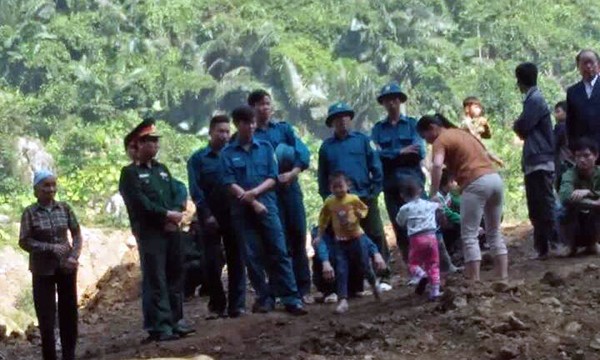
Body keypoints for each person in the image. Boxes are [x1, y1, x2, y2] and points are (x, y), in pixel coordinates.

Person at [220, 105, 307, 316]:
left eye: (252, 123)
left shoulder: (266, 147)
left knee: (279, 250)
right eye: (246, 123)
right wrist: (250, 200)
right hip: (242, 211)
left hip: (268, 206)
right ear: (238, 125)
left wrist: (254, 194)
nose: (250, 127)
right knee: (252, 256)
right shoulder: (227, 153)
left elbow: (272, 177)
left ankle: (291, 297)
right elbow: (229, 182)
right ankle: (264, 297)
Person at [119, 119, 194, 342]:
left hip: (171, 230)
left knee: (175, 275)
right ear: (137, 146)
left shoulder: (162, 170)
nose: (154, 145)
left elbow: (178, 189)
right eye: (148, 142)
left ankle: (175, 320)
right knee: (156, 279)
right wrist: (165, 215)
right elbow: (140, 203)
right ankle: (159, 326)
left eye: (155, 141)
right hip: (151, 233)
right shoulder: (130, 174)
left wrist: (178, 209)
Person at [417, 114, 508, 283]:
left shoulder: (441, 140)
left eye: (425, 137)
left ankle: (474, 280)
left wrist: (434, 193)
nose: (427, 142)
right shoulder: (462, 134)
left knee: (469, 235)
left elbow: (437, 165)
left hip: (476, 183)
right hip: (495, 180)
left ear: (432, 128)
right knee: (494, 232)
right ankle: (502, 277)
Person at [248, 90, 313, 304]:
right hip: (268, 194)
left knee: (297, 235)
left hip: (290, 189)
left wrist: (293, 173)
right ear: (252, 108)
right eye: (259, 104)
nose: (263, 107)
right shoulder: (250, 135)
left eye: (267, 103)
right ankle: (282, 288)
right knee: (276, 243)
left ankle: (303, 288)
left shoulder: (284, 129)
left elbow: (302, 153)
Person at [318, 102, 389, 289]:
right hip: (340, 203)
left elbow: (375, 166)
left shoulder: (362, 140)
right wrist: (328, 199)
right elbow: (322, 176)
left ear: (350, 119)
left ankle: (383, 275)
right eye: (337, 118)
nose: (342, 120)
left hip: (364, 196)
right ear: (332, 122)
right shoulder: (326, 147)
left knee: (374, 233)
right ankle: (358, 281)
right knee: (348, 239)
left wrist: (375, 190)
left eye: (345, 116)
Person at [187, 114, 246, 318]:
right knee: (210, 262)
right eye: (220, 131)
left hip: (234, 214)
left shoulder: (234, 155)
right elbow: (195, 190)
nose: (224, 135)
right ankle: (217, 304)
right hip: (209, 216)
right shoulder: (198, 159)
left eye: (227, 131)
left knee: (236, 259)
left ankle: (237, 305)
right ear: (210, 132)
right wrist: (206, 214)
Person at [19, 170, 82, 360]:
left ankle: (69, 355)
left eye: (53, 185)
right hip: (42, 271)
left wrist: (74, 256)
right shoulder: (30, 212)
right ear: (36, 190)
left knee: (69, 313)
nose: (51, 189)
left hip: (66, 269)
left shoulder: (65, 208)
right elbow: (24, 241)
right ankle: (49, 356)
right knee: (46, 317)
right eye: (46, 186)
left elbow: (77, 235)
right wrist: (49, 247)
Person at [314, 171, 385, 313]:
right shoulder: (330, 202)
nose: (338, 190)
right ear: (330, 188)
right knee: (341, 270)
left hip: (357, 238)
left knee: (365, 265)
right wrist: (319, 236)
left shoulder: (352, 199)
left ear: (348, 186)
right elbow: (323, 220)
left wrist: (360, 214)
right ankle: (343, 300)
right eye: (335, 187)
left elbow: (364, 209)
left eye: (341, 186)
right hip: (340, 241)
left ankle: (373, 284)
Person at [371, 83, 425, 264]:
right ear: (383, 104)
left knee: (421, 222)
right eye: (387, 100)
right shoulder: (378, 129)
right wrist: (401, 152)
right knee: (399, 226)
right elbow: (375, 154)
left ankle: (432, 265)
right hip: (390, 183)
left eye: (394, 99)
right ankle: (413, 268)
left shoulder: (412, 124)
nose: (391, 103)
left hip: (412, 181)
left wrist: (389, 154)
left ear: (400, 101)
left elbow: (418, 151)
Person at [512, 62, 557, 259]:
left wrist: (517, 125)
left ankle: (553, 245)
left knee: (544, 204)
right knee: (537, 204)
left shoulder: (535, 99)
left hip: (540, 159)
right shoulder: (533, 99)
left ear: (520, 81)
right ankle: (544, 248)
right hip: (535, 160)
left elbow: (522, 126)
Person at [396, 178, 442, 300]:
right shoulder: (429, 204)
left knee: (413, 263)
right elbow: (441, 206)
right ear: (420, 191)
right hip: (432, 237)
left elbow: (399, 222)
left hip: (416, 239)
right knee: (433, 264)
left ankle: (422, 275)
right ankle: (435, 292)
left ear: (402, 195)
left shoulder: (404, 208)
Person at [558, 137, 600, 256]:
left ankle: (593, 243)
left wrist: (589, 192)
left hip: (593, 219)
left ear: (596, 156)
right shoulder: (570, 174)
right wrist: (595, 203)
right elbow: (565, 196)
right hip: (576, 215)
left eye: (587, 156)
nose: (582, 160)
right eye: (578, 156)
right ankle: (570, 245)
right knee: (559, 209)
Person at [566, 50, 600, 161]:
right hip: (582, 153)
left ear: (598, 65)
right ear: (578, 66)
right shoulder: (572, 92)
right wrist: (572, 148)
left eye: (591, 62)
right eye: (584, 63)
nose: (588, 66)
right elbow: (570, 123)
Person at [553, 101, 575, 191]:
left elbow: (553, 145)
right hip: (573, 164)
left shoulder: (560, 127)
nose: (555, 115)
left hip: (563, 164)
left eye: (558, 111)